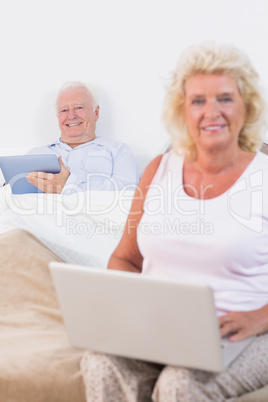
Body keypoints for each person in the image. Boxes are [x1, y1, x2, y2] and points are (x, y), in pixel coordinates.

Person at [80, 43, 268, 401]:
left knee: (179, 384)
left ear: (246, 107)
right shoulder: (158, 170)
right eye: (198, 101)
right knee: (100, 362)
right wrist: (127, 311)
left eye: (225, 99)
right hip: (159, 329)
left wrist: (261, 317)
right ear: (183, 111)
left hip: (241, 333)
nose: (212, 112)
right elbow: (125, 259)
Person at [26, 81, 139, 194]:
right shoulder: (35, 154)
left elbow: (128, 191)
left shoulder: (118, 152)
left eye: (79, 107)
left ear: (96, 112)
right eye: (64, 110)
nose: (71, 116)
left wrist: (69, 186)